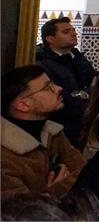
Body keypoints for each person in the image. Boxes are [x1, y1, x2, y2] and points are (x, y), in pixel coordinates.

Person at [1, 65, 85, 199]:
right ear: (23, 105)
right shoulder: (5, 157)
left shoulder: (53, 132)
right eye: (48, 87)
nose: (58, 89)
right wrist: (53, 192)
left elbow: (85, 172)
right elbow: (22, 212)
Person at [35, 17, 98, 147]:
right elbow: (61, 99)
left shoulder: (78, 57)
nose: (74, 33)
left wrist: (82, 94)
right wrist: (88, 94)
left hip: (87, 122)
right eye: (66, 31)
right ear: (50, 39)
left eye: (73, 30)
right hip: (63, 127)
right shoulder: (43, 64)